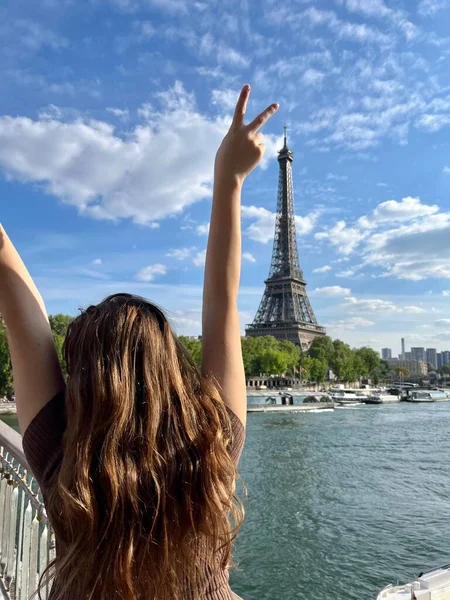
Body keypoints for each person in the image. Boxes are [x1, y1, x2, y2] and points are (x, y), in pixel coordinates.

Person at [0, 85, 279, 600]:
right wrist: (229, 179)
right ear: (172, 371)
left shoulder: (62, 465)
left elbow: (21, 307)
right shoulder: (212, 450)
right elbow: (223, 305)